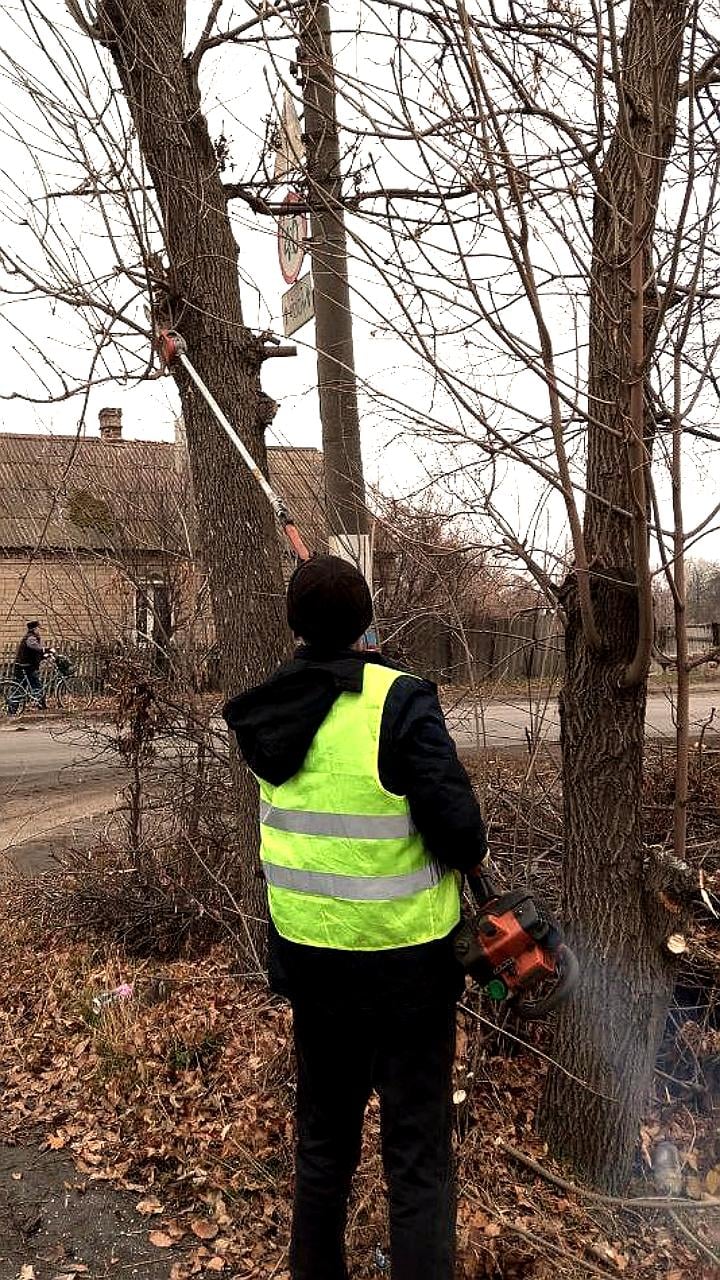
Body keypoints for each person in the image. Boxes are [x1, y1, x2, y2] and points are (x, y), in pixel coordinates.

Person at [224, 556, 487, 1280]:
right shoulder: (398, 701)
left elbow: (326, 700)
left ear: (293, 626)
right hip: (409, 977)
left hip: (314, 970)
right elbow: (461, 833)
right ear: (367, 619)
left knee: (323, 1150)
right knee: (418, 1162)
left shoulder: (269, 709)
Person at [12, 620, 49, 711]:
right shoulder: (30, 638)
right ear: (34, 629)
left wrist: (44, 656)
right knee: (36, 686)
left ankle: (13, 709)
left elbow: (34, 653)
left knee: (22, 688)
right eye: (38, 628)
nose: (39, 630)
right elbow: (35, 647)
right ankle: (42, 707)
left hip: (25, 666)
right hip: (25, 667)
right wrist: (45, 649)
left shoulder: (31, 637)